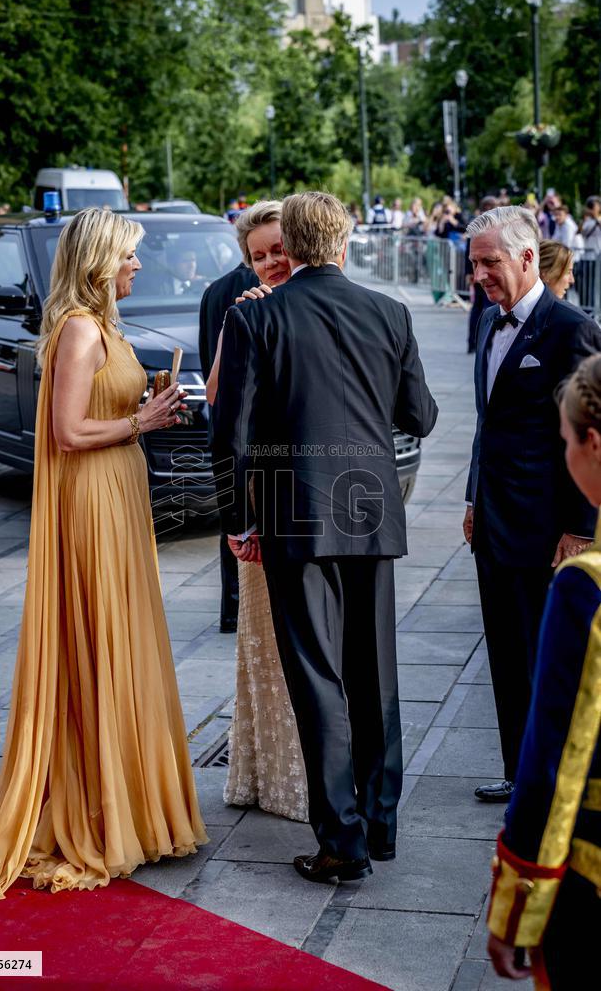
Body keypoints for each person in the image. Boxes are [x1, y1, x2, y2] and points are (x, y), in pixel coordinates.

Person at [0, 208, 207, 923]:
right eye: (128, 257)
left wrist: (146, 406)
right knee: (98, 642)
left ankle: (130, 805)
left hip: (118, 487)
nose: (138, 266)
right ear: (97, 262)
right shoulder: (81, 329)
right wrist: (139, 423)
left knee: (125, 640)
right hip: (92, 497)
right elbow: (64, 430)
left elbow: (98, 409)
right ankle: (99, 812)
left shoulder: (104, 324)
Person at [212, 191, 437, 883]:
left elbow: (234, 435)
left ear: (297, 246)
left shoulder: (259, 318)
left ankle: (342, 840)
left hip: (293, 512)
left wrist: (238, 521)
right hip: (369, 512)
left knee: (318, 677)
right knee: (375, 675)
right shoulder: (390, 313)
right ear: (342, 242)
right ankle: (379, 824)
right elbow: (420, 416)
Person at [464, 205, 601, 805]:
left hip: (547, 531)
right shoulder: (488, 324)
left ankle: (558, 783)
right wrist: (473, 497)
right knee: (505, 653)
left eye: (489, 263)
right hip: (494, 523)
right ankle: (520, 773)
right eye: (474, 265)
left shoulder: (570, 328)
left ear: (526, 257)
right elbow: (489, 424)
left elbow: (590, 430)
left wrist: (579, 528)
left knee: (550, 663)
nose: (479, 276)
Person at [486, 353, 601, 989]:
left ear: (593, 444)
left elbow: (555, 764)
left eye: (565, 442)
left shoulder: (585, 588)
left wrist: (518, 904)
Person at [206, 200, 308, 822]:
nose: (270, 262)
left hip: (317, 495)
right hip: (263, 495)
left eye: (277, 250)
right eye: (258, 256)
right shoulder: (244, 311)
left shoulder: (320, 304)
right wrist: (236, 331)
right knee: (262, 640)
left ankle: (301, 772)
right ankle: (264, 773)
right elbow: (220, 400)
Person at [198, 239, 258, 635]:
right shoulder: (262, 290)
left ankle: (231, 611)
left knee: (232, 519)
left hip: (221, 414)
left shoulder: (213, 290)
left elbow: (206, 357)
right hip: (251, 422)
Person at [466, 196, 498, 354]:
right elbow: (469, 251)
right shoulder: (482, 225)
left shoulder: (486, 224)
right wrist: (470, 272)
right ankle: (477, 341)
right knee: (483, 308)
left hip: (482, 272)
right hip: (481, 274)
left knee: (482, 307)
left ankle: (478, 342)